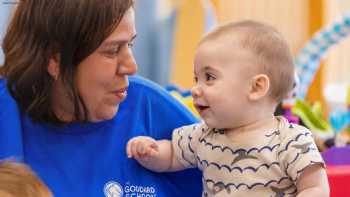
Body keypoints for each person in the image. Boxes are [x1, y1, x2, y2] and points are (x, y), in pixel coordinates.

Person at [0, 0, 202, 196]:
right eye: (113, 51)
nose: (131, 67)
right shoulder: (7, 116)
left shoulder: (148, 107)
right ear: (55, 59)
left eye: (130, 44)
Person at [127, 21, 330, 197]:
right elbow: (172, 155)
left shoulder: (291, 140)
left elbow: (316, 187)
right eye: (196, 79)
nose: (196, 89)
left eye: (210, 78)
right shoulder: (203, 136)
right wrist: (150, 151)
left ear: (256, 87)